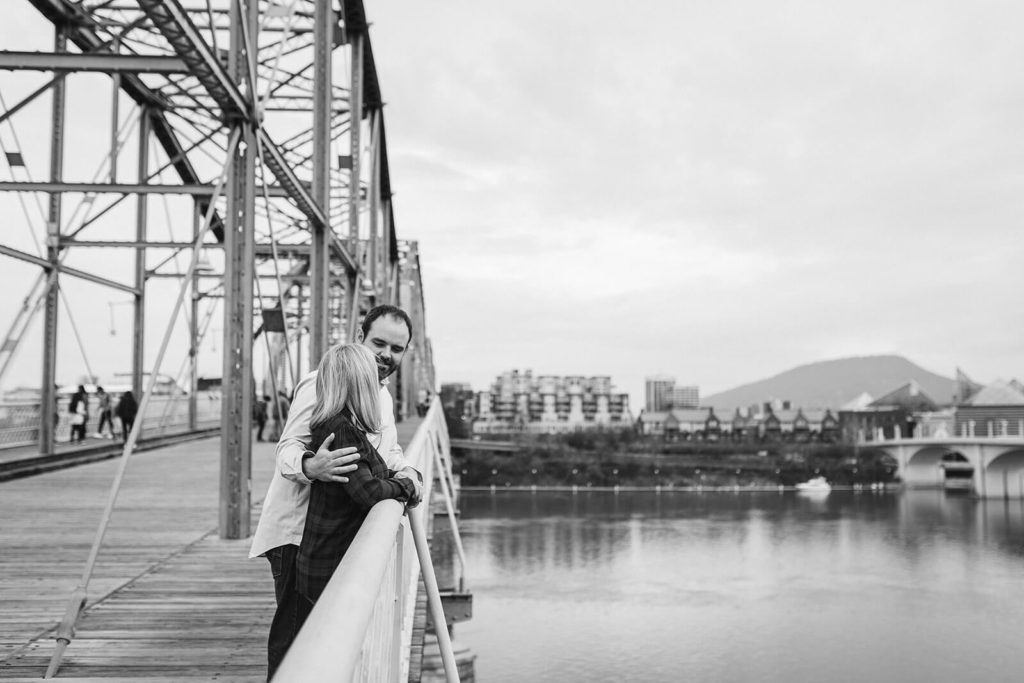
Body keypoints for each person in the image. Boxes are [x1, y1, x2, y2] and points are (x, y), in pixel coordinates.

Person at [249, 304, 423, 681]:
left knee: (322, 631)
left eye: (397, 349)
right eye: (379, 343)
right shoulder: (323, 382)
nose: (386, 355)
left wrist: (409, 472)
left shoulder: (382, 395)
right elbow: (288, 447)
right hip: (298, 534)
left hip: (332, 534)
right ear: (360, 337)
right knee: (295, 638)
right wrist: (312, 466)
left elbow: (388, 452)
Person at [295, 344, 417, 614]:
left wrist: (401, 473)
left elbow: (370, 472)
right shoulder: (341, 430)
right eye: (372, 382)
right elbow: (369, 492)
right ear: (360, 386)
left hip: (326, 561)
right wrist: (408, 486)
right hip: (329, 566)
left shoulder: (339, 426)